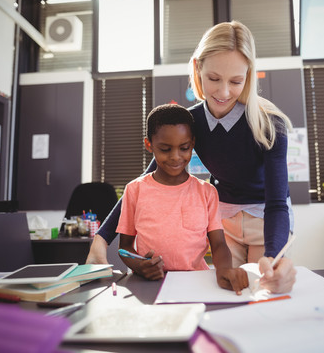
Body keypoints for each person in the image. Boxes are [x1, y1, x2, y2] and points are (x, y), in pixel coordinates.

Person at [87, 21, 297, 293]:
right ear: (198, 68)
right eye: (213, 79)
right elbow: (144, 181)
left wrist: (272, 257)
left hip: (266, 218)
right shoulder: (191, 121)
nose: (223, 93)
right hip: (224, 221)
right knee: (224, 292)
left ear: (249, 74)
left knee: (263, 289)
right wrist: (101, 241)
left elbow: (277, 202)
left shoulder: (269, 124)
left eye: (236, 81)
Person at [116, 104, 248, 293]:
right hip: (151, 284)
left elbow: (218, 243)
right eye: (165, 149)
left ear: (192, 144)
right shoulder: (135, 190)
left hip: (195, 283)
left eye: (184, 148)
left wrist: (224, 270)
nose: (175, 157)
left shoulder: (206, 192)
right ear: (149, 145)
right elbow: (125, 246)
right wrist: (140, 266)